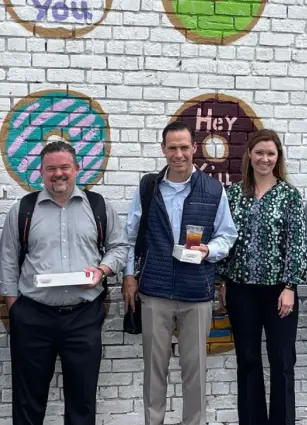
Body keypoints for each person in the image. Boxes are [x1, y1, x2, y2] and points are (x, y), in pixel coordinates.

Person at [0, 141, 129, 425]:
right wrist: (15, 307)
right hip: (33, 316)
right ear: (41, 172)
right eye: (51, 168)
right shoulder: (22, 209)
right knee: (27, 401)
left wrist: (102, 270)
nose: (58, 174)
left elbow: (119, 247)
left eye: (64, 167)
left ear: (76, 168)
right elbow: (7, 261)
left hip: (83, 317)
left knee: (82, 402)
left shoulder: (97, 206)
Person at [123, 121, 238, 425]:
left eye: (184, 147)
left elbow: (227, 235)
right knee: (154, 371)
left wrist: (208, 251)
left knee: (195, 372)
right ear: (163, 149)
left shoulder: (213, 189)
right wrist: (129, 276)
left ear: (194, 149)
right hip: (155, 292)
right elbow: (131, 235)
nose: (178, 154)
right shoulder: (148, 187)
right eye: (172, 147)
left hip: (196, 293)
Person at [218, 129, 306, 425]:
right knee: (248, 361)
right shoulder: (234, 193)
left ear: (278, 157)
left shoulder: (289, 195)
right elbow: (224, 240)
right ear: (249, 156)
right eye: (259, 153)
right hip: (241, 290)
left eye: (270, 153)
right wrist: (223, 282)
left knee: (282, 362)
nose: (264, 159)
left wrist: (291, 286)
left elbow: (297, 243)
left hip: (279, 292)